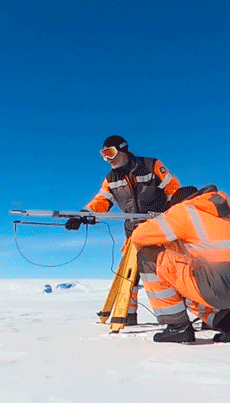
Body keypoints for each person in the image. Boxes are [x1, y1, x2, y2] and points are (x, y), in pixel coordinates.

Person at [66, 135, 183, 325]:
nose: (108, 158)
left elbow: (173, 190)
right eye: (103, 155)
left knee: (173, 269)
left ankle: (196, 314)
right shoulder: (111, 178)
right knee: (129, 274)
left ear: (123, 150)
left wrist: (175, 216)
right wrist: (82, 215)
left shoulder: (151, 165)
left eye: (110, 153)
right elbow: (101, 201)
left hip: (161, 227)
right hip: (133, 231)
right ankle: (127, 314)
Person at [129, 185, 230, 343]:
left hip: (217, 286)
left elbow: (138, 236)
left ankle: (177, 327)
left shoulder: (184, 210)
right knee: (191, 277)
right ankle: (229, 320)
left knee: (148, 256)